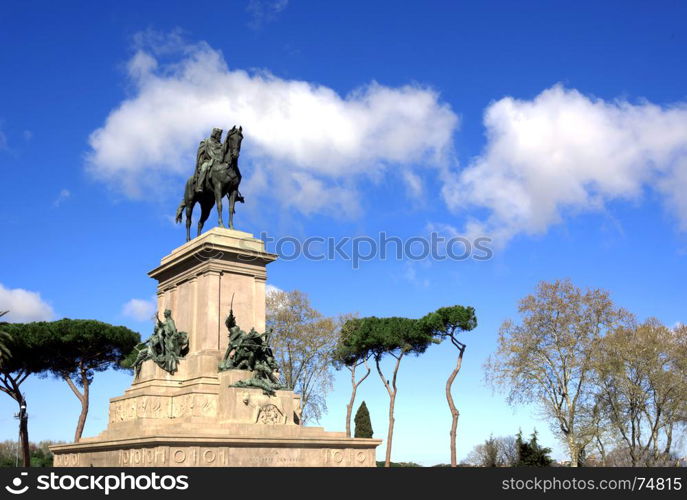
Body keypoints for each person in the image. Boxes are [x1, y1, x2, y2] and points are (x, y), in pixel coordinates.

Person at [195, 128, 224, 193]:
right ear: (215, 135)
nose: (220, 137)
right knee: (204, 168)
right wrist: (200, 164)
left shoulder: (221, 145)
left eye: (220, 135)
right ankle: (200, 185)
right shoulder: (206, 142)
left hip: (218, 162)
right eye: (219, 135)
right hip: (208, 161)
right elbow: (200, 154)